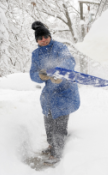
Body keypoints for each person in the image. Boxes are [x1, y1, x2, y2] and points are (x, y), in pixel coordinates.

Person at [29, 21, 80, 163]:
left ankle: (57, 154)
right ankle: (51, 145)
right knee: (49, 123)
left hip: (65, 92)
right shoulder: (36, 54)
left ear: (49, 36)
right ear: (37, 41)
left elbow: (69, 61)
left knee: (59, 125)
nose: (43, 40)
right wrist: (40, 75)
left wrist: (59, 72)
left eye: (45, 37)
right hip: (49, 94)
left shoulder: (60, 47)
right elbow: (32, 72)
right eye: (40, 38)